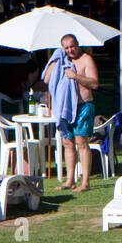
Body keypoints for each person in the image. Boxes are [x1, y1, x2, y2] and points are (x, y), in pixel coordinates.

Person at [42, 34, 99, 192]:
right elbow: (46, 79)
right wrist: (54, 60)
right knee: (67, 143)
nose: (70, 50)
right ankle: (69, 180)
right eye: (66, 48)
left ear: (78, 44)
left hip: (83, 106)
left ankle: (85, 182)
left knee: (81, 142)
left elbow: (94, 83)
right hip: (65, 108)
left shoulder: (86, 59)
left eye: (72, 46)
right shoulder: (62, 61)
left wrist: (76, 76)